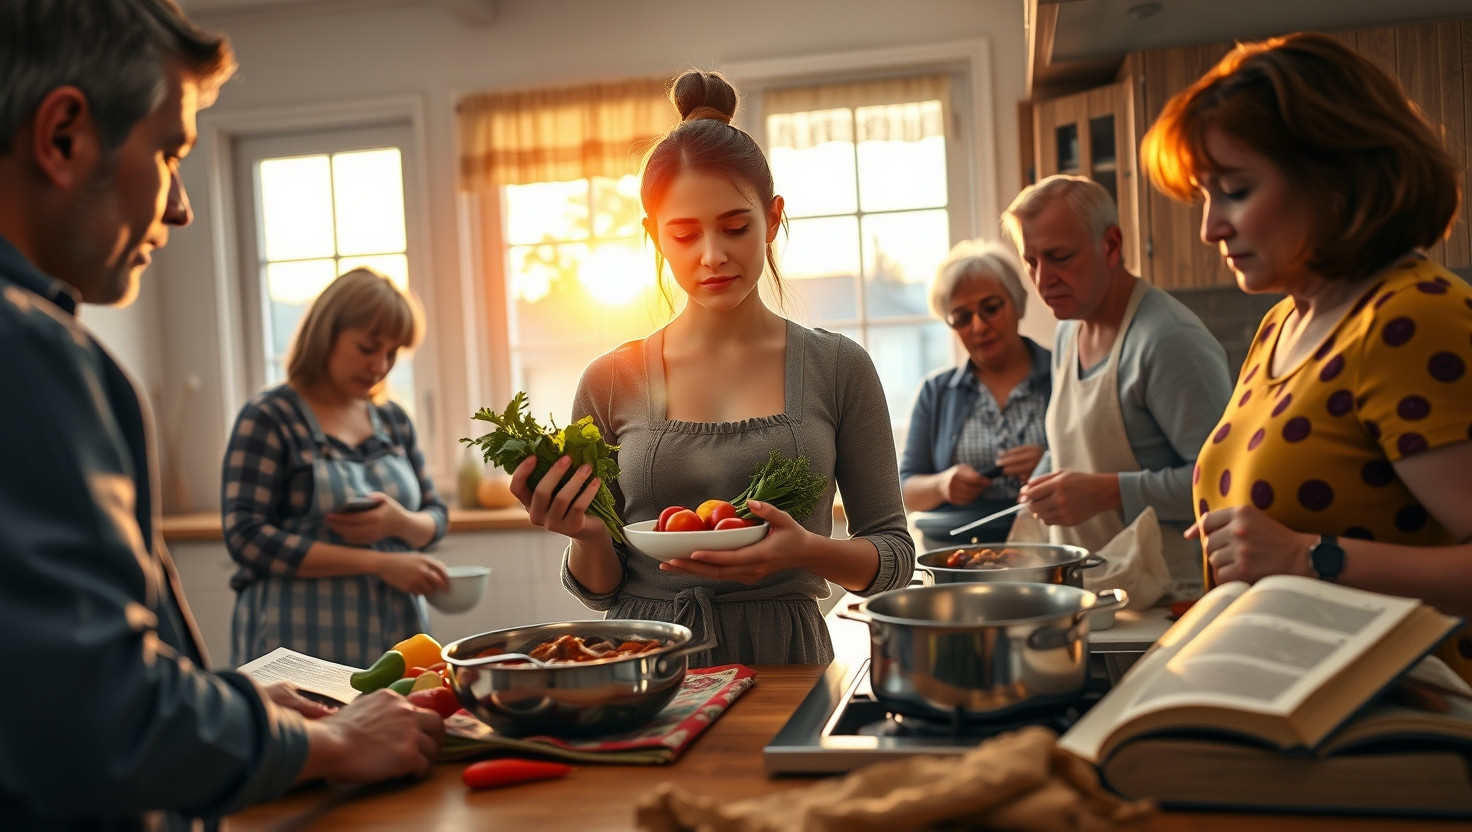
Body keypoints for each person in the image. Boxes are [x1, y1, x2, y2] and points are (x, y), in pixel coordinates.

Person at [0, 3, 444, 828]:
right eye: (169, 152)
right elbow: (106, 723)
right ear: (63, 137)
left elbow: (37, 683)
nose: (180, 209)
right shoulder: (29, 351)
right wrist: (328, 746)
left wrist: (226, 700)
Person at [510, 70, 914, 667]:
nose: (712, 255)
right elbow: (600, 590)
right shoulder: (608, 381)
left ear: (773, 219)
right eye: (683, 234)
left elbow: (894, 557)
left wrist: (806, 551)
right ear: (653, 236)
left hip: (786, 658)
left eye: (735, 227)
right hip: (643, 662)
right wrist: (585, 532)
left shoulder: (838, 368)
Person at [1139, 33, 1472, 674]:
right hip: (1293, 709)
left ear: (1335, 183)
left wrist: (1307, 558)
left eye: (1235, 190)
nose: (1211, 227)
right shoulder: (1282, 323)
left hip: (1405, 732)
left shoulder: (1409, 317)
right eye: (1206, 196)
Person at [1003, 175, 1233, 594]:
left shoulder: (1168, 340)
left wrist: (1110, 492)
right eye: (1031, 262)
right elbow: (1070, 442)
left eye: (1059, 257)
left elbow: (1225, 484)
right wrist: (1038, 486)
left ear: (1111, 245)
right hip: (1091, 591)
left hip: (1166, 599)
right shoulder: (1068, 331)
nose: (1042, 280)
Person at [223, 267, 450, 668]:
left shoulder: (394, 420)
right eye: (368, 348)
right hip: (292, 639)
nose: (380, 366)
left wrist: (400, 523)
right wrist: (378, 563)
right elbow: (246, 537)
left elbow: (436, 515)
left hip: (396, 634)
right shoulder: (270, 416)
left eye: (392, 353)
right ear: (326, 334)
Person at [900, 239, 1050, 548]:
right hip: (958, 557)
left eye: (991, 308)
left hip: (1049, 548)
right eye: (962, 317)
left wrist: (1050, 464)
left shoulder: (1064, 374)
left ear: (1018, 303)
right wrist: (943, 485)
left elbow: (1103, 466)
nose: (979, 326)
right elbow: (905, 487)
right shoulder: (936, 392)